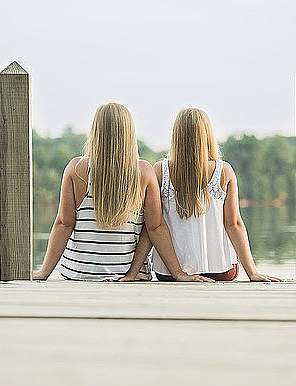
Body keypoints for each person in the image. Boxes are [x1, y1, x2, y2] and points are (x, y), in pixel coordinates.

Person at [32, 103, 212, 282]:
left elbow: (64, 224)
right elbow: (155, 228)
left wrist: (44, 272)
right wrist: (178, 273)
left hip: (79, 273)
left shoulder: (76, 169)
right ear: (129, 134)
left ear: (96, 133)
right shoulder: (144, 172)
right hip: (126, 275)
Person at [145, 108, 282, 282]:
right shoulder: (223, 171)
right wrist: (252, 273)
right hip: (221, 271)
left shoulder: (160, 171)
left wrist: (179, 273)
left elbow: (154, 226)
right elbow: (234, 224)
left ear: (176, 136)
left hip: (169, 274)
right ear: (207, 135)